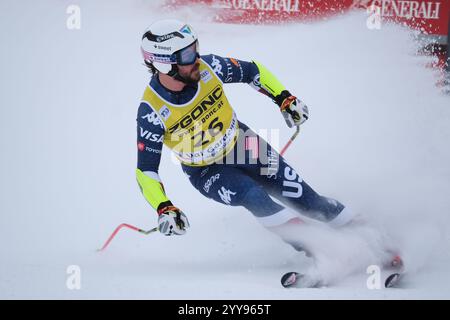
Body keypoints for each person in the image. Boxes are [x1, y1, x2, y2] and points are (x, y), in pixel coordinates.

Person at [136, 19, 356, 252]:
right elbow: (146, 170)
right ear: (164, 64)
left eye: (196, 48)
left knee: (308, 200)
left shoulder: (211, 68)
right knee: (254, 197)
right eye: (188, 55)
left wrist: (284, 98)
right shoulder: (152, 111)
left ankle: (363, 229)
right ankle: (323, 250)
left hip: (243, 144)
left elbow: (253, 71)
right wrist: (164, 207)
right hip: (207, 171)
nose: (197, 59)